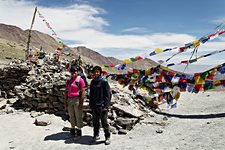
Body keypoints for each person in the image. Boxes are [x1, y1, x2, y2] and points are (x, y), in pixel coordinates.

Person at [89, 66, 111, 145]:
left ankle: (107, 137)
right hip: (95, 105)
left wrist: (106, 106)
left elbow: (108, 95)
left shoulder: (104, 81)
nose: (96, 73)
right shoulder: (93, 82)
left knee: (104, 122)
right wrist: (90, 104)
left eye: (98, 72)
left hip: (102, 106)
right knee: (95, 122)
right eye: (95, 72)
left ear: (100, 72)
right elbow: (91, 94)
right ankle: (96, 135)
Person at [64, 65, 85, 139]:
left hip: (77, 100)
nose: (73, 73)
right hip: (70, 99)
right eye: (72, 72)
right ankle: (72, 129)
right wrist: (65, 101)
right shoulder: (69, 81)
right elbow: (66, 91)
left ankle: (79, 131)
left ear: (77, 72)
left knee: (78, 115)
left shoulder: (80, 80)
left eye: (75, 72)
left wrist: (81, 103)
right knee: (71, 115)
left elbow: (82, 92)